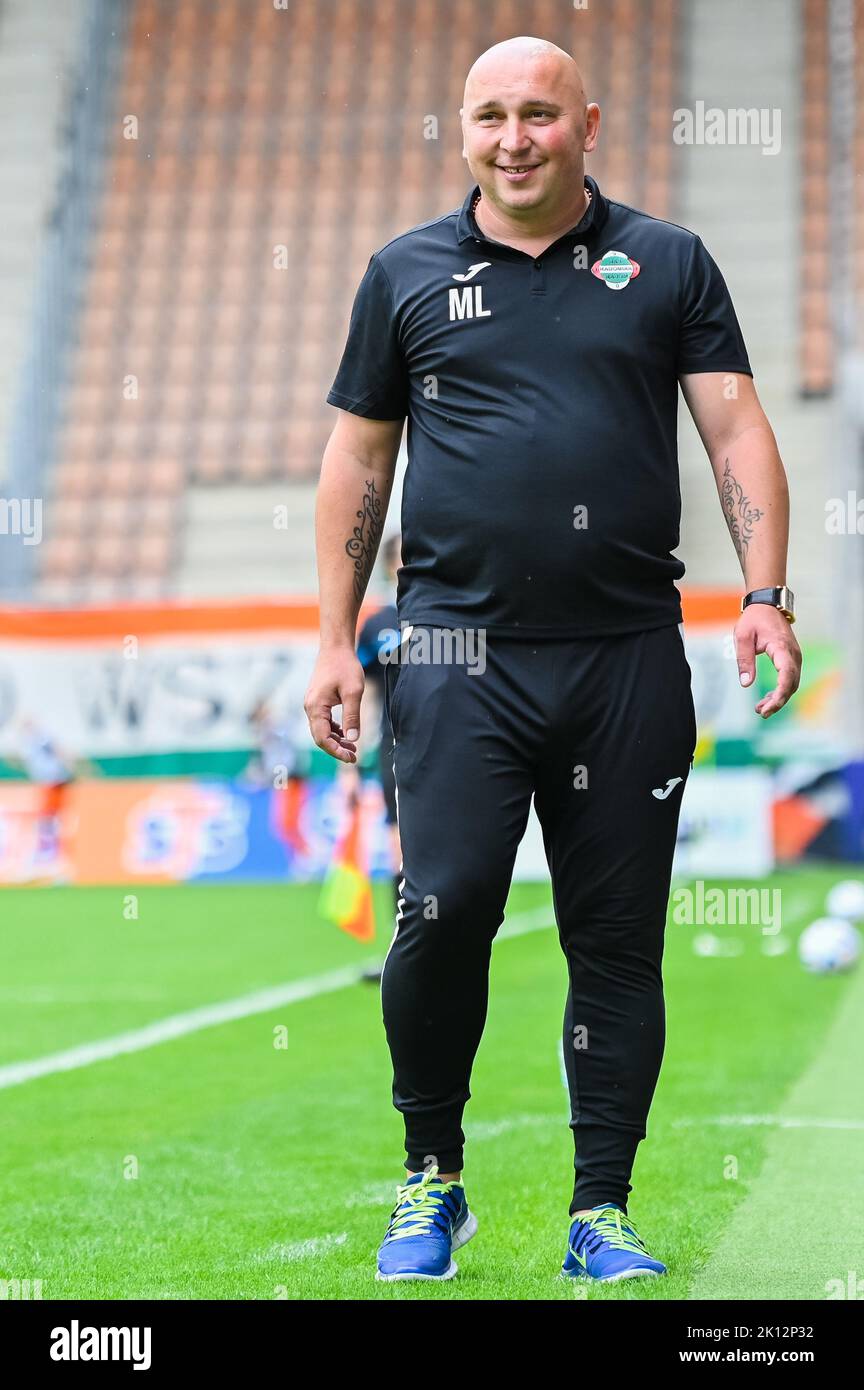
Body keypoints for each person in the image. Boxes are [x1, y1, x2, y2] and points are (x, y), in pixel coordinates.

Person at [304, 36, 802, 1284]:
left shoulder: (668, 260)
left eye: (537, 114)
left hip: (628, 654)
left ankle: (602, 1208)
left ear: (586, 122)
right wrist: (329, 638)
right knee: (442, 905)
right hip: (455, 655)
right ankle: (433, 1180)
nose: (512, 137)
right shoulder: (405, 273)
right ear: (460, 130)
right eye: (488, 116)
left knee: (616, 941)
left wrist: (767, 594)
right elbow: (358, 460)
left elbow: (735, 428)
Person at [339, 533, 403, 982]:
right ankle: (403, 954)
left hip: (460, 750)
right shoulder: (380, 625)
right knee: (400, 850)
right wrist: (349, 765)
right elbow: (360, 694)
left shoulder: (459, 619)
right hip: (398, 751)